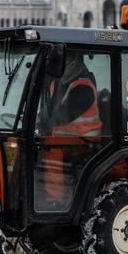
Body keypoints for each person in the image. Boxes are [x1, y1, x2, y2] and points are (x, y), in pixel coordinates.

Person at [38, 52, 103, 204]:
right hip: (66, 136)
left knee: (48, 146)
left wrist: (41, 125)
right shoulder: (57, 84)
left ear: (73, 64)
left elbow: (63, 116)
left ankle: (53, 199)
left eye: (60, 65)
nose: (56, 69)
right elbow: (48, 112)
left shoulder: (82, 87)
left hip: (86, 137)